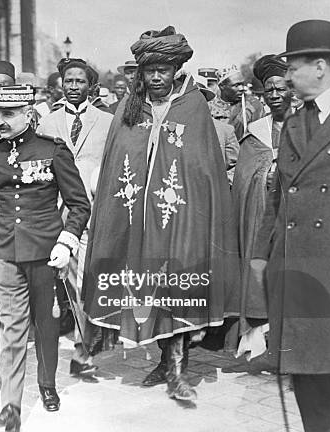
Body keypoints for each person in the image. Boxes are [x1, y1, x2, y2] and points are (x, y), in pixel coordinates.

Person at [82, 26, 239, 401]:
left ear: (175, 70)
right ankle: (162, 359)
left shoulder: (194, 106)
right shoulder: (129, 107)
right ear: (140, 72)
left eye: (163, 70)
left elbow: (202, 167)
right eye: (149, 70)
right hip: (135, 216)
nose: (156, 77)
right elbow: (117, 160)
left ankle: (177, 369)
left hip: (180, 216)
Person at [0, 85, 90, 430]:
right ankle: (10, 407)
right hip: (6, 254)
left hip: (45, 254)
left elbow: (79, 204)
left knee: (46, 323)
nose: (0, 121)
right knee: (11, 329)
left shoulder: (52, 151)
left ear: (28, 114)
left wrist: (66, 242)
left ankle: (47, 384)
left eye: (8, 114)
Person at [252, 20, 330, 431]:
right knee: (310, 389)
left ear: (320, 66)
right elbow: (277, 200)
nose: (286, 77)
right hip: (298, 280)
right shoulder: (294, 123)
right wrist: (260, 262)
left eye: (294, 66)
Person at [37, 57, 113, 376]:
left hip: (92, 209)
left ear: (90, 86)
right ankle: (66, 341)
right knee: (62, 278)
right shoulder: (47, 123)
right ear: (60, 84)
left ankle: (83, 349)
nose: (73, 87)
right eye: (68, 81)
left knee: (85, 278)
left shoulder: (106, 121)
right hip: (57, 209)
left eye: (80, 81)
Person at [230, 55, 292, 361]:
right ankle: (261, 342)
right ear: (263, 95)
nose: (276, 95)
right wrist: (265, 173)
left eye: (281, 88)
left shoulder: (311, 124)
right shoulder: (255, 131)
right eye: (269, 90)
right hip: (262, 217)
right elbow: (244, 178)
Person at [197, 78, 239, 184]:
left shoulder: (224, 131)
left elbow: (238, 167)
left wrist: (220, 183)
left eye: (198, 98)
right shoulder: (170, 129)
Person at [210, 65, 264, 140]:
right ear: (222, 86)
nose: (242, 88)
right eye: (236, 85)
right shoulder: (209, 108)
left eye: (242, 84)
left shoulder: (253, 105)